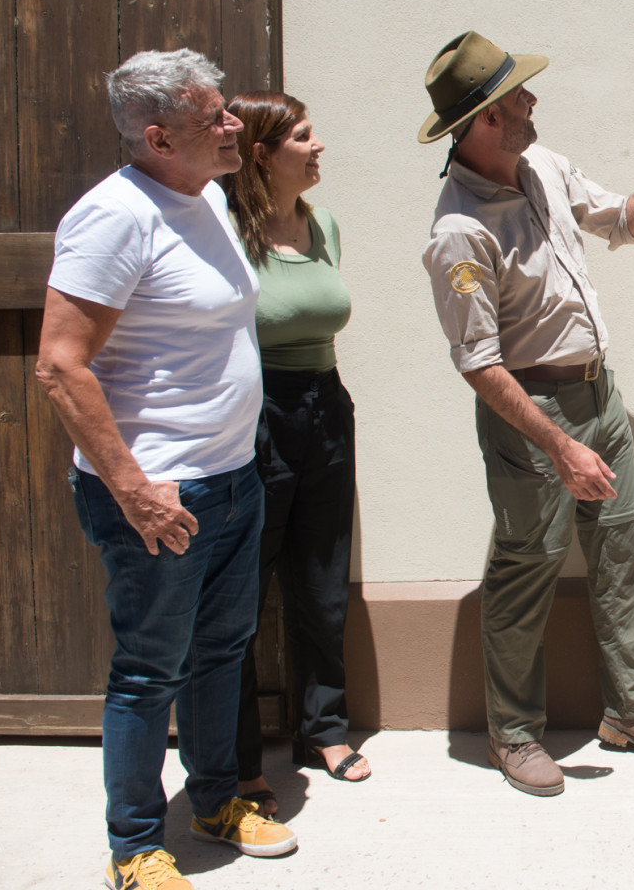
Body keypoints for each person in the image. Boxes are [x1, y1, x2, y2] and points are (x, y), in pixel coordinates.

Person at [419, 31, 634, 797]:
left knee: (623, 553)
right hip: (531, 412)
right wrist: (557, 445)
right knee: (527, 566)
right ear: (485, 117)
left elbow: (627, 221)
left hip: (598, 393)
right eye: (517, 95)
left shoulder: (542, 165)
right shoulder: (458, 228)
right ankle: (513, 735)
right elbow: (478, 364)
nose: (532, 102)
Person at [36, 49, 297, 890]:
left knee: (224, 650)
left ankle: (216, 799)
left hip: (232, 476)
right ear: (157, 137)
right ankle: (135, 846)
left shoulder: (209, 196)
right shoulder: (115, 217)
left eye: (226, 111)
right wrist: (135, 490)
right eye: (213, 119)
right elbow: (60, 366)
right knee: (150, 669)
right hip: (160, 494)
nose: (232, 127)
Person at [223, 92, 367, 817]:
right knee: (243, 594)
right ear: (261, 152)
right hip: (256, 416)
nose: (318, 148)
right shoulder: (226, 232)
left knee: (320, 578)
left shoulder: (324, 225)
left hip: (324, 407)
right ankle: (242, 759)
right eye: (303, 138)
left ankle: (323, 730)